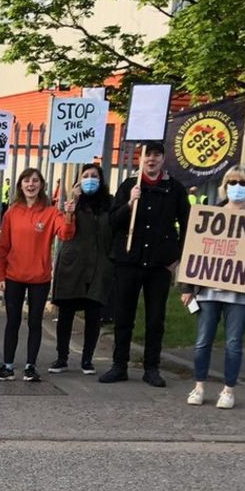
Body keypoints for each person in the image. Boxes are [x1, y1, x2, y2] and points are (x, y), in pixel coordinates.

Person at [99, 142, 190, 387]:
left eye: (156, 155)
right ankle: (119, 365)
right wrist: (129, 204)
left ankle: (152, 368)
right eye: (147, 155)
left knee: (155, 319)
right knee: (123, 316)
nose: (151, 159)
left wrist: (176, 258)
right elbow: (112, 221)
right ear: (141, 159)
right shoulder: (130, 185)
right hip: (129, 261)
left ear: (163, 159)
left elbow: (188, 224)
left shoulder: (175, 189)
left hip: (160, 265)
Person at [182, 165, 245, 409]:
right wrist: (187, 287)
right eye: (232, 182)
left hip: (240, 292)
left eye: (243, 183)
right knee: (202, 340)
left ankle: (228, 390)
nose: (237, 188)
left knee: (233, 342)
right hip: (208, 289)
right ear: (225, 185)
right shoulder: (210, 215)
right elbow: (194, 251)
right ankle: (199, 386)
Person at [0, 167, 76, 382]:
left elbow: (65, 234)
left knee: (35, 321)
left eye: (35, 181)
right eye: (26, 180)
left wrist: (68, 214)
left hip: (39, 277)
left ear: (41, 185)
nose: (31, 184)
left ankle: (30, 366)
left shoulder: (50, 212)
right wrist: (1, 276)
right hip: (13, 276)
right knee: (13, 321)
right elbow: (3, 247)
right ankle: (8, 365)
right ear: (20, 185)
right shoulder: (12, 212)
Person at [49, 164, 114, 375]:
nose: (89, 179)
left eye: (94, 176)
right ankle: (62, 358)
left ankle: (87, 359)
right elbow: (65, 231)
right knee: (66, 313)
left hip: (98, 265)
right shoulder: (71, 204)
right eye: (85, 176)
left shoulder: (108, 204)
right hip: (73, 265)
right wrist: (73, 204)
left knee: (93, 313)